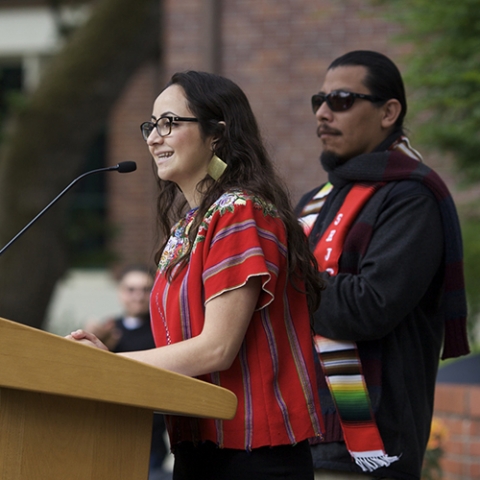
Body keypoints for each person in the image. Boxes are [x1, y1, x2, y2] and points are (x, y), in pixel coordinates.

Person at [68, 70, 325, 480]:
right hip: (198, 447)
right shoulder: (188, 227)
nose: (153, 138)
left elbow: (215, 349)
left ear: (216, 135)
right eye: (150, 126)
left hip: (252, 454)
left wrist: (111, 366)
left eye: (169, 123)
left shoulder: (240, 211)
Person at [296, 50, 470, 480]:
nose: (322, 111)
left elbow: (367, 307)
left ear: (388, 111)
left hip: (367, 446)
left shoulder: (411, 197)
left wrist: (284, 280)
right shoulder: (315, 201)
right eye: (319, 99)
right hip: (299, 436)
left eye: (340, 100)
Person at [86, 265, 172, 480]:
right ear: (120, 292)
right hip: (106, 430)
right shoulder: (106, 330)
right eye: (131, 289)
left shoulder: (165, 330)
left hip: (149, 433)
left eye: (145, 289)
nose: (138, 296)